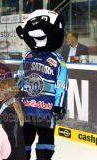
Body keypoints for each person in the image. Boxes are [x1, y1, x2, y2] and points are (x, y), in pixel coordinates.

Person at [16, 9, 68, 160]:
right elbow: (20, 78)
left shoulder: (58, 60)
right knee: (24, 142)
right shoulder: (27, 56)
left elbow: (62, 84)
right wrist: (15, 96)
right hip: (27, 109)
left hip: (47, 111)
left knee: (46, 144)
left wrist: (59, 104)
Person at [0, 78, 27, 160]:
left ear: (10, 93)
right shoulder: (8, 107)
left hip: (12, 155)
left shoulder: (9, 111)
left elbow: (12, 139)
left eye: (2, 90)